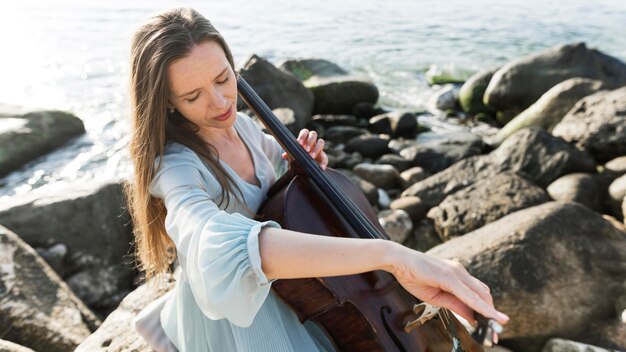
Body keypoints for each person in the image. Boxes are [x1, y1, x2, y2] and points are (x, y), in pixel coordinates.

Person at [126, 7, 509, 352]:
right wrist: (393, 256)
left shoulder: (243, 127)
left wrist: (300, 170)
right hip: (245, 317)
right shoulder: (176, 168)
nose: (221, 102)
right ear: (166, 102)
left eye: (224, 78)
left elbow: (275, 187)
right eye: (193, 96)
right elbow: (211, 245)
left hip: (301, 290)